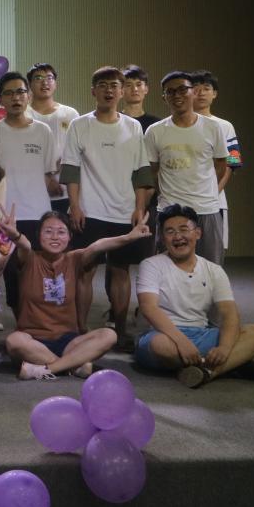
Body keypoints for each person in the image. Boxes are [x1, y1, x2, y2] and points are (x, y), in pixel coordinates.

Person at [61, 67, 154, 352]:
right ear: (94, 91)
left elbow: (142, 172)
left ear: (122, 91)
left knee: (121, 271)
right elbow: (71, 169)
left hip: (124, 211)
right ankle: (80, 329)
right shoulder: (79, 125)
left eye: (114, 85)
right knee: (85, 270)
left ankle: (121, 330)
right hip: (89, 211)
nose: (109, 90)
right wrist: (74, 205)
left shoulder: (133, 127)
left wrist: (139, 207)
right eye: (103, 85)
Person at [0, 208, 150, 381]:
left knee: (109, 335)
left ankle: (49, 368)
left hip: (69, 342)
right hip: (32, 341)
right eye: (48, 231)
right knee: (14, 341)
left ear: (70, 236)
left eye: (61, 232)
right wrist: (16, 235)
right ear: (38, 236)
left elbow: (98, 246)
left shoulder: (73, 259)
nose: (55, 237)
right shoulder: (29, 258)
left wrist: (129, 237)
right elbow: (24, 245)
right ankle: (74, 365)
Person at [135, 204, 254, 388]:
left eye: (184, 229)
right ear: (163, 238)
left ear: (197, 233)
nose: (178, 237)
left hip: (202, 334)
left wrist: (224, 348)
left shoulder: (214, 270)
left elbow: (229, 313)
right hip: (164, 334)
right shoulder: (151, 265)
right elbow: (149, 308)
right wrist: (181, 342)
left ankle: (206, 372)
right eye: (170, 232)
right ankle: (229, 365)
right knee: (161, 346)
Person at [144, 71, 228, 264]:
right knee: (169, 270)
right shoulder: (155, 131)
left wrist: (207, 190)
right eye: (170, 92)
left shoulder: (213, 128)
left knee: (210, 267)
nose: (177, 95)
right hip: (169, 210)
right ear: (164, 97)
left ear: (193, 92)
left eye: (183, 89)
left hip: (206, 209)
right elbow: (152, 171)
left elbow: (221, 165)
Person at [0, 71, 57, 310]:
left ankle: (43, 320)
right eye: (9, 93)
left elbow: (49, 174)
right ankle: (21, 321)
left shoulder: (43, 131)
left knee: (41, 271)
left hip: (38, 213)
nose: (16, 98)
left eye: (20, 92)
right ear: (0, 99)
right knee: (13, 273)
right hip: (6, 216)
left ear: (28, 95)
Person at [192, 69, 243, 257]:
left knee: (212, 257)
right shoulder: (176, 124)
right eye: (196, 88)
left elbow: (231, 162)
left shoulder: (225, 126)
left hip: (215, 203)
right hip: (181, 201)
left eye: (206, 88)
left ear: (214, 94)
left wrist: (214, 191)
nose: (201, 93)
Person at [121, 64, 161, 260]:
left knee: (149, 257)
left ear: (146, 89)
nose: (134, 89)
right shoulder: (113, 122)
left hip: (150, 199)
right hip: (117, 197)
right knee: (118, 259)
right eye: (128, 85)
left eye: (139, 84)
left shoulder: (157, 125)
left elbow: (158, 166)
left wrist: (146, 198)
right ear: (121, 90)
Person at [27, 63, 78, 213]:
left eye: (49, 78)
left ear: (55, 84)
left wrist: (50, 176)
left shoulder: (70, 114)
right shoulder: (23, 114)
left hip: (65, 191)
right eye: (38, 78)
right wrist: (46, 180)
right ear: (29, 84)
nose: (45, 82)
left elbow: (75, 151)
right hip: (30, 191)